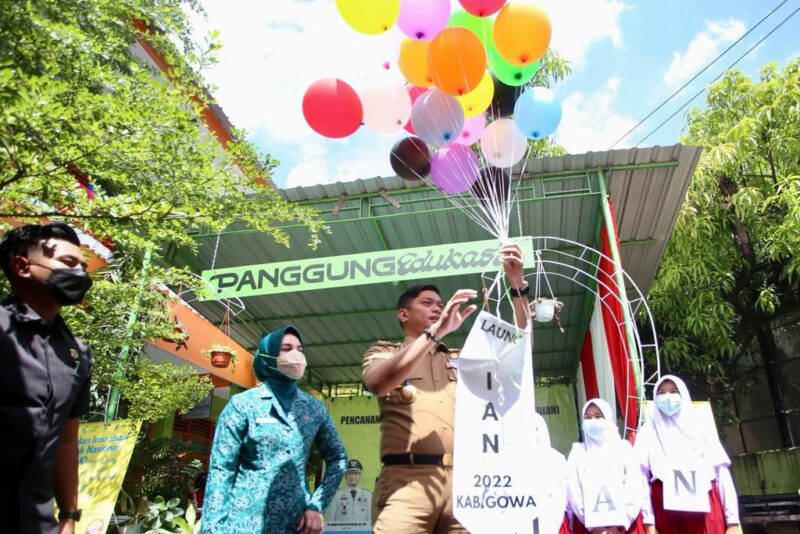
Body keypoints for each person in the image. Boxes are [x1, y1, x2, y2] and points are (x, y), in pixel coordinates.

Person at [362, 242, 529, 533]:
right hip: (405, 483)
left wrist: (517, 286)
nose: (437, 308)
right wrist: (435, 332)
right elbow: (377, 383)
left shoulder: (459, 359)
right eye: (427, 304)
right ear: (403, 314)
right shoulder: (385, 351)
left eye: (440, 306)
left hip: (464, 487)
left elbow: (517, 347)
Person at [202, 326, 347, 534]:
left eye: (300, 349)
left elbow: (338, 458)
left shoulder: (314, 409)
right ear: (268, 356)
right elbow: (221, 469)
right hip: (245, 523)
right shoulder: (243, 405)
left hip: (296, 524)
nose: (295, 355)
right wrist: (213, 529)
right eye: (286, 349)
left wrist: (317, 504)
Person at [0, 223, 94, 534]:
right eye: (69, 264)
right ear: (22, 266)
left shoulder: (77, 353)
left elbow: (66, 440)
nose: (80, 274)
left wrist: (69, 516)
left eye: (83, 266)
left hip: (37, 520)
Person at [634, 375, 742, 534]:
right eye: (661, 393)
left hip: (705, 507)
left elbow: (721, 473)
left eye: (673, 391)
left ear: (683, 394)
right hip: (665, 511)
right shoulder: (647, 432)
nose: (667, 397)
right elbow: (640, 479)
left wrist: (733, 521)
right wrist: (649, 522)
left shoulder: (700, 425)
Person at [566, 398, 646, 534]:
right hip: (589, 528)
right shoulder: (577, 453)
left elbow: (635, 486)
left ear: (608, 419)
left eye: (598, 416)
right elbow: (574, 492)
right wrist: (593, 526)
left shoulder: (623, 448)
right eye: (588, 417)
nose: (593, 421)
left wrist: (622, 523)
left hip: (624, 528)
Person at [325, 458, 372, 525]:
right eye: (349, 474)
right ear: (345, 476)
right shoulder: (336, 495)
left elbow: (369, 520)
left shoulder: (368, 495)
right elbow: (330, 520)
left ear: (359, 475)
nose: (353, 477)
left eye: (356, 474)